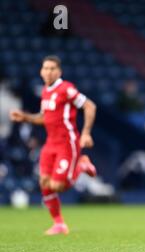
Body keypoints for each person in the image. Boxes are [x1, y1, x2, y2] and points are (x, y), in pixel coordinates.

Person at [9, 55, 97, 235]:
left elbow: (90, 106)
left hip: (67, 142)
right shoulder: (45, 91)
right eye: (45, 68)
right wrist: (25, 117)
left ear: (59, 71)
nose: (48, 72)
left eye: (52, 68)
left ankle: (81, 165)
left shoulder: (66, 89)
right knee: (44, 182)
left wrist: (86, 133)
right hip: (51, 143)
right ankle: (59, 224)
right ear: (41, 72)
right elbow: (44, 118)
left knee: (58, 186)